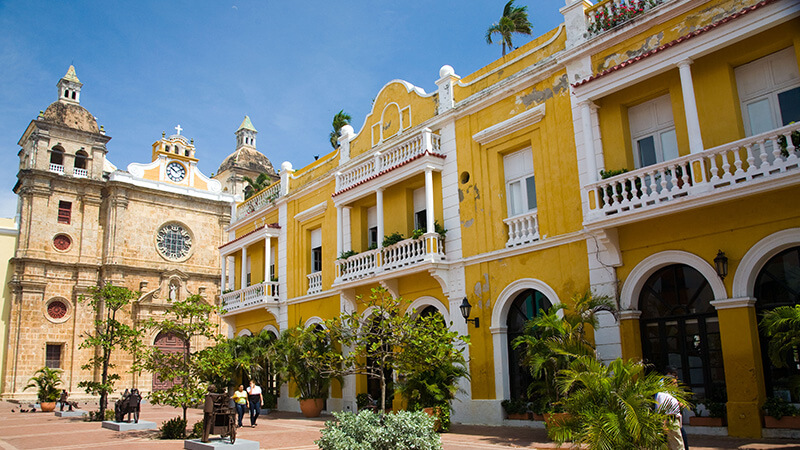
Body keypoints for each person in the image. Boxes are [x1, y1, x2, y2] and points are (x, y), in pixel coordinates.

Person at [656, 370, 685, 450]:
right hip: (670, 420)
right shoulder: (663, 394)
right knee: (677, 445)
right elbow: (662, 409)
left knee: (673, 444)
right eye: (674, 383)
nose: (676, 385)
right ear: (668, 384)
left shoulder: (670, 394)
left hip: (675, 420)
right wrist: (664, 424)